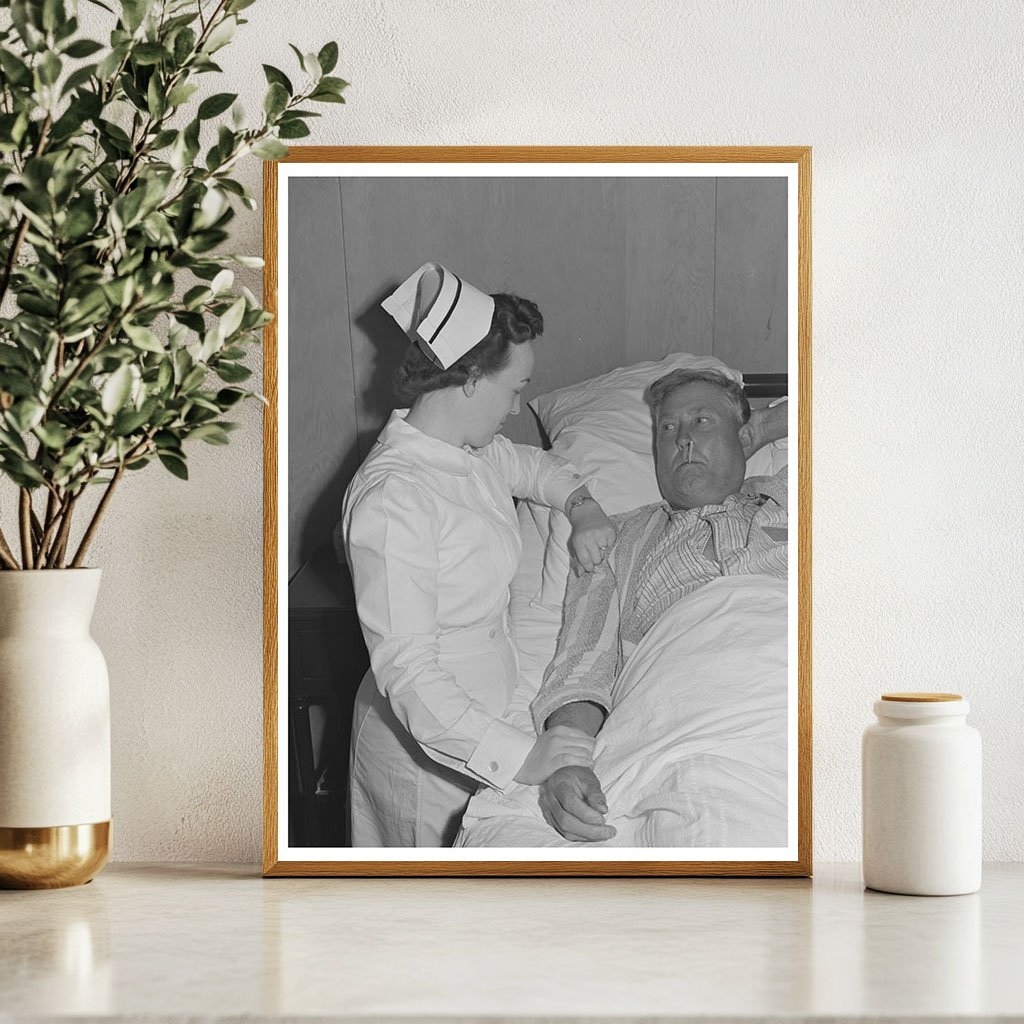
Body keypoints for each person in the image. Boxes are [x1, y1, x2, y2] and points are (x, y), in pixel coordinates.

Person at [342, 262, 617, 847]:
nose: (518, 409)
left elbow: (535, 467)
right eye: (515, 389)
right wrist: (520, 756)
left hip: (491, 711)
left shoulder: (471, 452)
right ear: (470, 379)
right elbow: (409, 671)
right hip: (427, 750)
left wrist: (583, 505)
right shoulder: (394, 499)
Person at [529, 368, 788, 842]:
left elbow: (868, 413)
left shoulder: (794, 498)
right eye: (667, 428)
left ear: (742, 435)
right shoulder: (616, 538)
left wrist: (763, 429)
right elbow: (583, 663)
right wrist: (565, 762)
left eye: (702, 421)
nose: (682, 440)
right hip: (682, 708)